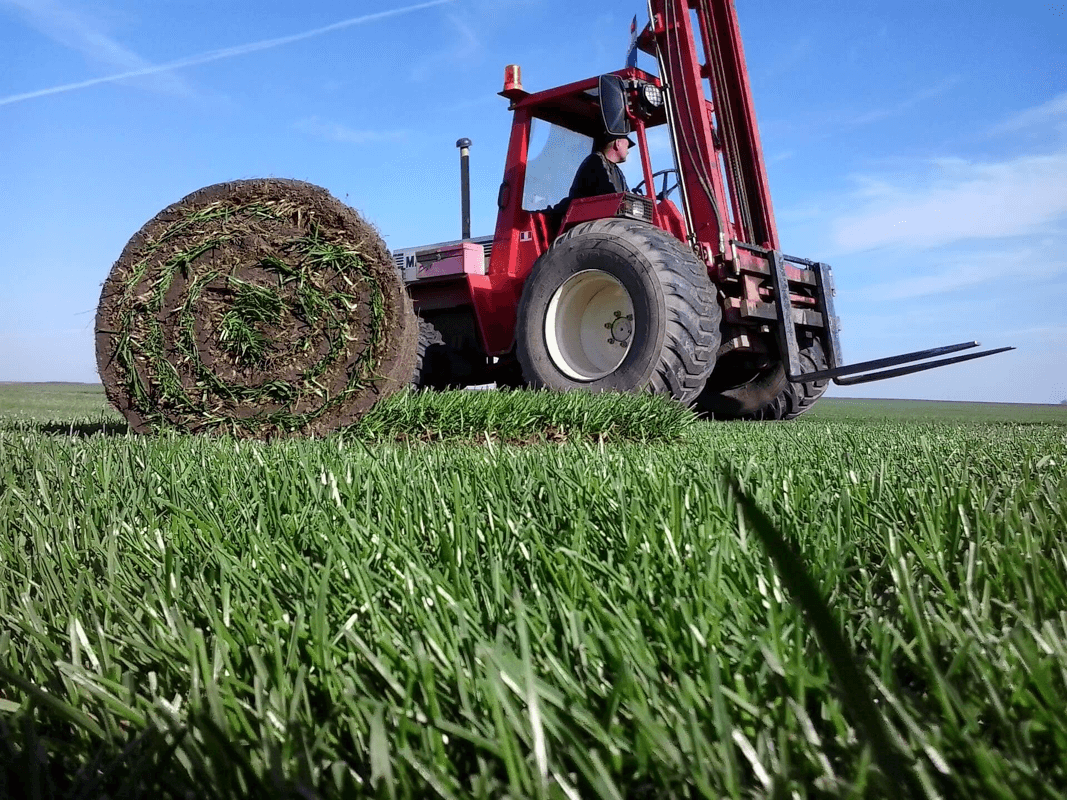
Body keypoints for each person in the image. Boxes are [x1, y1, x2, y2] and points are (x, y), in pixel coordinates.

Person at [567, 132, 635, 201]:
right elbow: (606, 192)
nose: (628, 151)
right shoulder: (595, 162)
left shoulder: (618, 172)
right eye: (627, 145)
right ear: (618, 143)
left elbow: (626, 194)